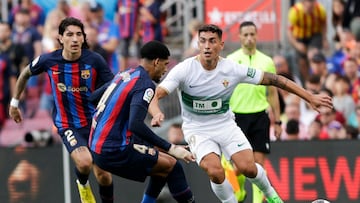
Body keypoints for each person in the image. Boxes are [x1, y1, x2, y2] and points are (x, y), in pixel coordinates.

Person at [149, 24, 333, 203]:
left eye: (212, 41)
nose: (207, 46)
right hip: (197, 129)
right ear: (198, 44)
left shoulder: (232, 69)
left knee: (249, 169)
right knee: (215, 171)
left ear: (221, 45)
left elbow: (276, 80)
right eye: (202, 41)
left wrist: (309, 96)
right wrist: (156, 113)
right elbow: (156, 94)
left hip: (225, 125)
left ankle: (274, 199)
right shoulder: (185, 69)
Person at [8, 17, 114, 203]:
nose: (74, 39)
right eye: (70, 34)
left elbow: (112, 86)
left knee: (104, 176)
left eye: (78, 35)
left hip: (95, 124)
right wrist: (14, 103)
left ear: (83, 38)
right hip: (67, 124)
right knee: (84, 162)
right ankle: (83, 185)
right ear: (60, 38)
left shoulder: (95, 60)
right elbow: (25, 73)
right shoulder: (49, 60)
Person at [88, 40, 196, 203]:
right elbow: (135, 125)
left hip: (97, 145)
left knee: (163, 166)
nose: (166, 70)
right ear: (156, 62)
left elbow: (92, 99)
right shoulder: (145, 84)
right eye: (165, 65)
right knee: (173, 165)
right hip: (114, 149)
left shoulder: (124, 74)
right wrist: (171, 147)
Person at [221, 21, 282, 203]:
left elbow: (272, 93)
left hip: (259, 115)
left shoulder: (267, 61)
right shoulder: (230, 60)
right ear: (239, 37)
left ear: (257, 36)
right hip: (236, 117)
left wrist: (277, 121)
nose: (249, 38)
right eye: (245, 34)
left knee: (258, 164)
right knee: (238, 167)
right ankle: (238, 191)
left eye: (252, 34)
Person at [287, 0, 328, 83]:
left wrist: (324, 39)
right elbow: (289, 31)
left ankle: (318, 79)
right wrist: (296, 44)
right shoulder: (295, 11)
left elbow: (324, 25)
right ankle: (307, 81)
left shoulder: (320, 10)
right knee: (302, 62)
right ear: (302, 3)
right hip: (300, 37)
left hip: (314, 35)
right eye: (307, 6)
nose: (309, 8)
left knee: (313, 55)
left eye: (312, 5)